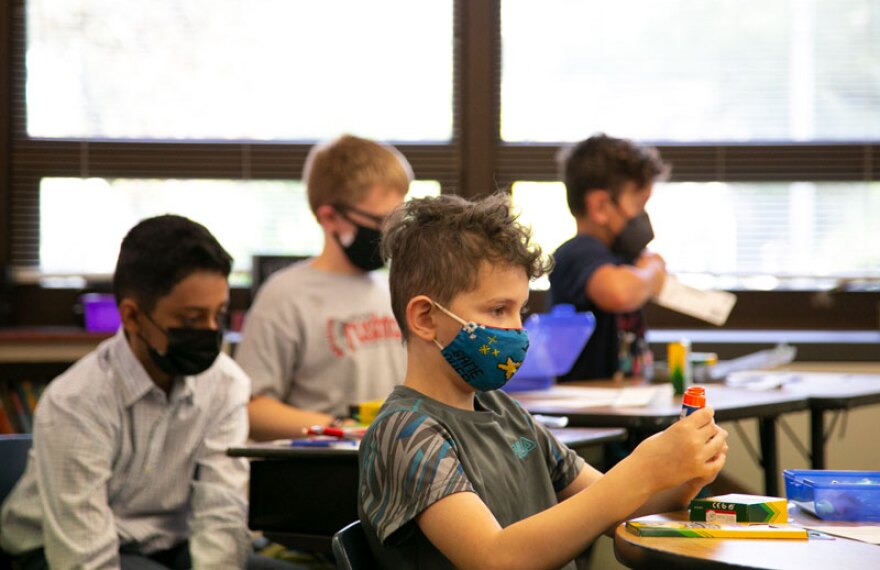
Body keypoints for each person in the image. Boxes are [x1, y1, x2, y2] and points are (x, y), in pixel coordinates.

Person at [358, 193, 728, 569]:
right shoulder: (405, 433)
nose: (517, 329)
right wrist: (643, 469)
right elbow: (495, 559)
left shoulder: (505, 411)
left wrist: (684, 474)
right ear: (424, 318)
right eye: (498, 309)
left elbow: (618, 509)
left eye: (521, 310)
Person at [1, 215, 258, 569]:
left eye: (220, 314)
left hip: (168, 545)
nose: (210, 332)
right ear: (133, 317)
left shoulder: (226, 384)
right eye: (191, 319)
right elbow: (83, 558)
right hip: (55, 550)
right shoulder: (77, 401)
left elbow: (221, 514)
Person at [236, 134, 411, 440]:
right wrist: (341, 428)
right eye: (382, 220)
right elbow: (252, 409)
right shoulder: (286, 296)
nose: (392, 232)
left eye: (399, 218)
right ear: (330, 217)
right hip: (324, 471)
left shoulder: (392, 289)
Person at [549, 133, 670, 381]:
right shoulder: (577, 253)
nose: (642, 217)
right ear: (600, 206)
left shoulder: (622, 258)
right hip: (586, 406)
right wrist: (651, 271)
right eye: (638, 205)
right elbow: (619, 293)